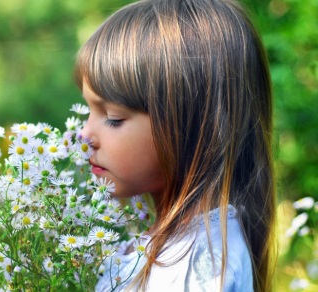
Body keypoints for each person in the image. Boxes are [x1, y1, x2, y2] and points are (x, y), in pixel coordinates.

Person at [75, 0, 276, 291]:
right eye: (88, 111)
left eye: (114, 118)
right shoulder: (179, 247)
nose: (83, 135)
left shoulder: (199, 265)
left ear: (191, 126)